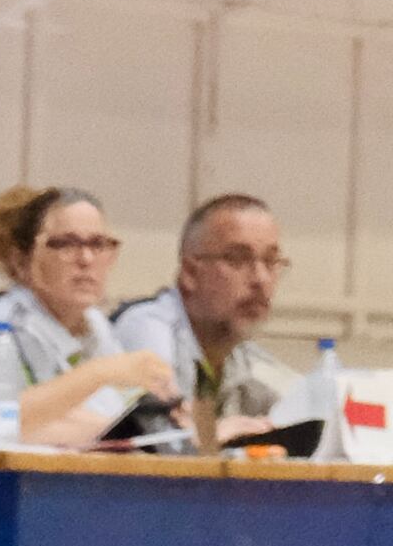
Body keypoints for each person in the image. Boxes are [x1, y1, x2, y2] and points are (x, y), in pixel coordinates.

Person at [0, 184, 179, 449]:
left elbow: (116, 416)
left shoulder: (96, 324)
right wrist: (104, 383)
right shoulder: (7, 323)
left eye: (98, 244)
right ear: (21, 260)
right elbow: (21, 428)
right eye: (66, 244)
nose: (86, 259)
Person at [102, 192, 299, 449]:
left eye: (271, 261)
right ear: (190, 272)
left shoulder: (245, 357)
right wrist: (213, 434)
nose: (260, 279)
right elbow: (166, 449)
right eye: (238, 259)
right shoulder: (148, 328)